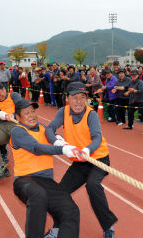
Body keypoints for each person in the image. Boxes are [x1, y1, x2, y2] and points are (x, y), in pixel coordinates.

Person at [45, 82, 118, 238]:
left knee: (92, 186)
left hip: (98, 159)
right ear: (68, 98)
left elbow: (97, 137)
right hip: (80, 162)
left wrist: (86, 150)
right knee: (61, 193)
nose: (78, 101)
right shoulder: (63, 112)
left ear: (86, 99)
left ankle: (108, 226)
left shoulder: (91, 115)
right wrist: (58, 143)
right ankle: (56, 230)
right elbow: (49, 129)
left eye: (82, 98)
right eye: (74, 98)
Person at [10, 98, 80, 238]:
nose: (32, 115)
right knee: (38, 195)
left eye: (33, 111)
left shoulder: (41, 126)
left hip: (46, 182)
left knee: (71, 210)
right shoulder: (17, 131)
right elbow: (37, 148)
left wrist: (59, 139)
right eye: (26, 113)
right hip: (25, 181)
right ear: (17, 117)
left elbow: (50, 136)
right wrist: (62, 150)